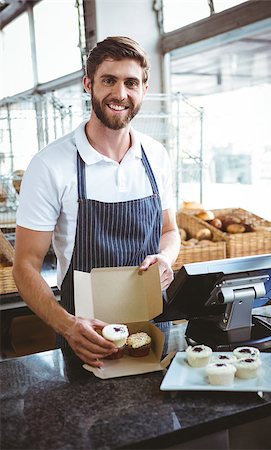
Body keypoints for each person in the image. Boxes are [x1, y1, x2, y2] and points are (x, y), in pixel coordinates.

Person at [13, 36, 180, 368]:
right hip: (84, 338)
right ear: (89, 84)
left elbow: (170, 230)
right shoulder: (50, 165)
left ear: (144, 89)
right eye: (109, 80)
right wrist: (68, 326)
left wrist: (165, 257)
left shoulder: (156, 156)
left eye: (131, 82)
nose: (120, 94)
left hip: (154, 328)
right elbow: (25, 266)